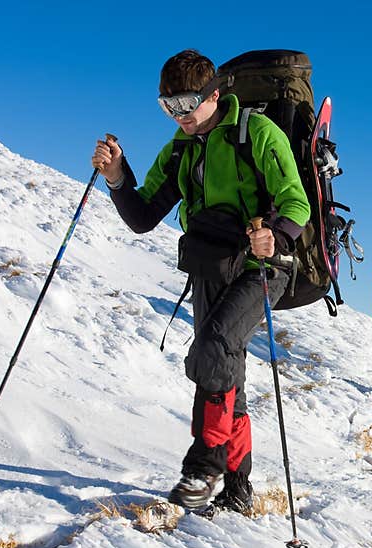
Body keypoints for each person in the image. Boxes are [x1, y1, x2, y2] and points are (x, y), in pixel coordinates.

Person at [91, 50, 310, 513]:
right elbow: (143, 216)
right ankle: (237, 487)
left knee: (212, 351)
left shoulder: (258, 133)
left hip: (262, 266)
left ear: (215, 94)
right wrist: (116, 178)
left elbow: (297, 203)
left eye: (187, 104)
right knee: (225, 371)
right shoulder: (180, 150)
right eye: (168, 107)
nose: (180, 116)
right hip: (210, 266)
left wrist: (276, 236)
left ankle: (203, 468)